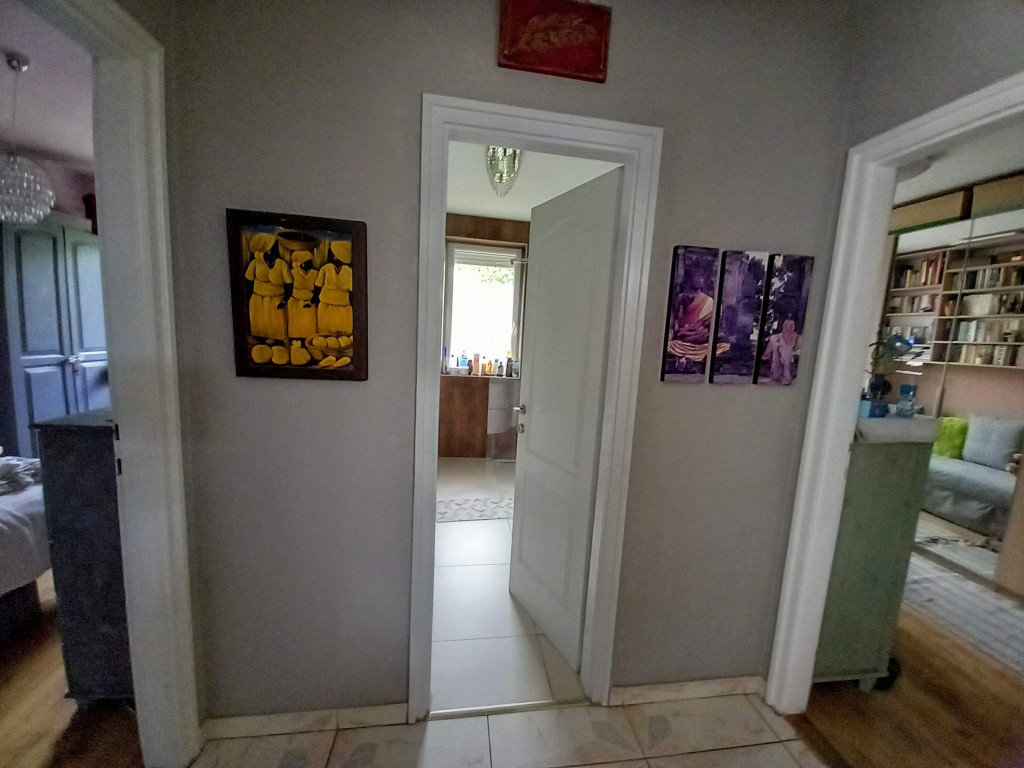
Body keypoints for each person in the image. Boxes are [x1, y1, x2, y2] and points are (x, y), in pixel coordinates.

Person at [761, 318, 801, 384]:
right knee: (775, 344)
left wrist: (795, 351)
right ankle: (776, 373)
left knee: (786, 357)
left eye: (791, 325)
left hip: (789, 354)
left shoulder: (795, 336)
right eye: (787, 325)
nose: (788, 327)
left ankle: (785, 376)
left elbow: (796, 347)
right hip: (781, 352)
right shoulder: (776, 337)